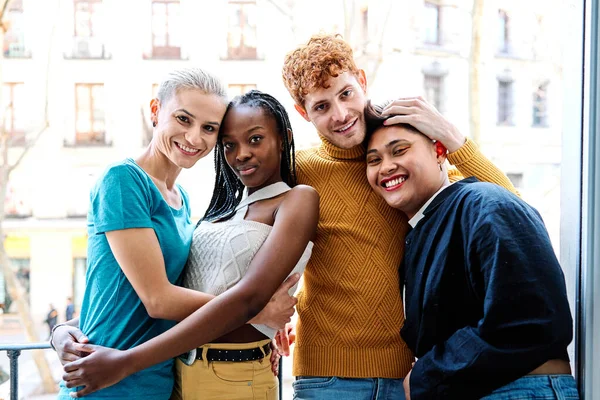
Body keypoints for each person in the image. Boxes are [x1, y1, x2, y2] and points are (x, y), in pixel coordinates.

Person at [278, 33, 520, 398]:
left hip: (411, 376)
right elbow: (256, 239)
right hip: (326, 377)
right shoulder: (299, 170)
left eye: (345, 94)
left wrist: (452, 138)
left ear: (361, 80)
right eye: (322, 106)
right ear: (303, 112)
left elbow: (510, 209)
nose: (340, 114)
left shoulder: (405, 166)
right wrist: (267, 313)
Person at [52, 68, 296, 400]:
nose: (195, 138)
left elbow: (122, 292)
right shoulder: (123, 181)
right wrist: (255, 313)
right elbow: (158, 299)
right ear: (155, 111)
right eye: (183, 119)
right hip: (106, 378)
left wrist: (266, 330)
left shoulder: (181, 200)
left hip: (161, 380)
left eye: (208, 128)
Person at [364, 102, 577, 400]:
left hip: (520, 390)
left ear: (439, 152)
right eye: (374, 160)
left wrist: (426, 377)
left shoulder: (486, 204)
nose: (386, 166)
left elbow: (529, 321)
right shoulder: (426, 227)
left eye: (399, 150)